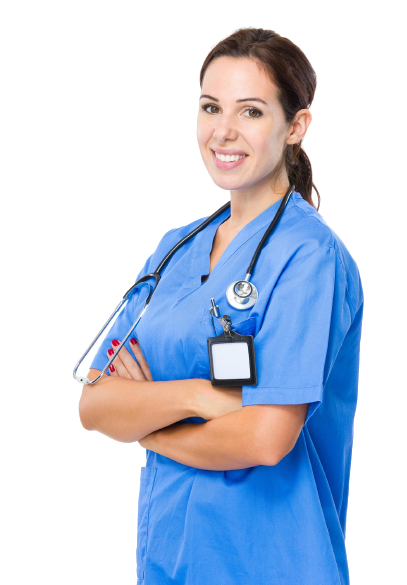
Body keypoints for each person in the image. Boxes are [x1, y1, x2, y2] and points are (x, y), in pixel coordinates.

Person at [78, 26, 363, 585]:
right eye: (211, 107)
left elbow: (264, 438)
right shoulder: (174, 248)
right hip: (168, 555)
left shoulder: (310, 257)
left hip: (272, 561)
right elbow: (94, 404)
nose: (223, 131)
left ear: (296, 126)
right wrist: (200, 396)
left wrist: (148, 426)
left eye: (251, 111)